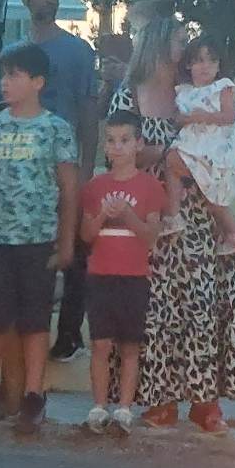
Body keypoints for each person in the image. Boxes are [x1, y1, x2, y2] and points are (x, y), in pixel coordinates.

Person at [108, 0, 235, 433]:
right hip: (150, 221)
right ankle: (159, 398)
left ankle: (206, 401)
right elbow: (115, 151)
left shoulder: (199, 93)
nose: (187, 49)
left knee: (203, 305)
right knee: (156, 311)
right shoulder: (129, 95)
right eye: (181, 40)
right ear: (160, 44)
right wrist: (167, 153)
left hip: (200, 218)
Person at [0, 41, 77, 431]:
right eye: (3, 75)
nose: (5, 83)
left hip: (38, 239)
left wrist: (65, 243)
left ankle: (34, 394)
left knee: (35, 320)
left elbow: (68, 188)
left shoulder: (56, 129)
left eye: (14, 75)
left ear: (37, 82)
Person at [18, 0, 101, 364]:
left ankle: (69, 334)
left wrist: (87, 169)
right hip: (24, 173)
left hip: (66, 169)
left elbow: (89, 113)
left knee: (76, 255)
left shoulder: (78, 52)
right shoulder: (13, 54)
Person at [79, 110, 165, 436]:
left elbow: (151, 236)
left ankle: (125, 408)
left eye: (125, 140)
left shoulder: (150, 187)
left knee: (130, 346)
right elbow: (86, 235)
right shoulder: (94, 187)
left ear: (138, 144)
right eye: (111, 141)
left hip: (134, 278)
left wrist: (127, 214)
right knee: (101, 344)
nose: (117, 147)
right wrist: (102, 214)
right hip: (100, 275)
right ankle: (99, 405)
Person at [165, 35, 235, 254]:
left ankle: (233, 233)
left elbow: (229, 116)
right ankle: (174, 215)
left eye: (211, 60)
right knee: (174, 164)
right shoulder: (184, 92)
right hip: (192, 145)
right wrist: (186, 119)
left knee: (213, 196)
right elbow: (178, 118)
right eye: (199, 60)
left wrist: (203, 116)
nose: (206, 66)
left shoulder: (223, 88)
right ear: (188, 64)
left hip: (215, 148)